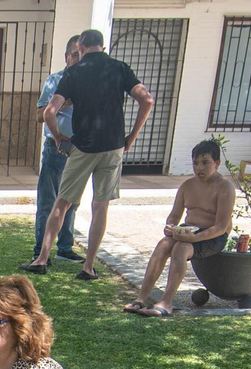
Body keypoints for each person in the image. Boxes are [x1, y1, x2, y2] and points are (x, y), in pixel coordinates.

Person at [22, 29, 154, 280]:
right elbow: (147, 100)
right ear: (102, 48)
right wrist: (131, 137)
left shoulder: (73, 72)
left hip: (82, 147)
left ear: (80, 48)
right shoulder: (119, 68)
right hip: (113, 147)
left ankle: (41, 260)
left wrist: (60, 137)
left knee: (61, 203)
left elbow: (49, 112)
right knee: (100, 206)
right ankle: (88, 267)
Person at [124, 140, 236, 317]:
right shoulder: (187, 185)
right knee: (163, 244)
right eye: (196, 163)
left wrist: (194, 239)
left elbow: (222, 227)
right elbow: (174, 215)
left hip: (212, 236)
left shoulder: (224, 187)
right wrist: (170, 227)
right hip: (188, 230)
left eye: (205, 162)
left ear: (217, 163)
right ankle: (141, 298)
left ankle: (166, 302)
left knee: (180, 248)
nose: (200, 168)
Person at [35, 35, 84, 265]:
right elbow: (39, 115)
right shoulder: (55, 81)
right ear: (66, 57)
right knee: (49, 202)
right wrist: (66, 101)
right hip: (56, 148)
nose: (78, 58)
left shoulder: (90, 83)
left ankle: (64, 248)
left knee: (72, 203)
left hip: (80, 151)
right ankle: (40, 249)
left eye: (81, 54)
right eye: (74, 54)